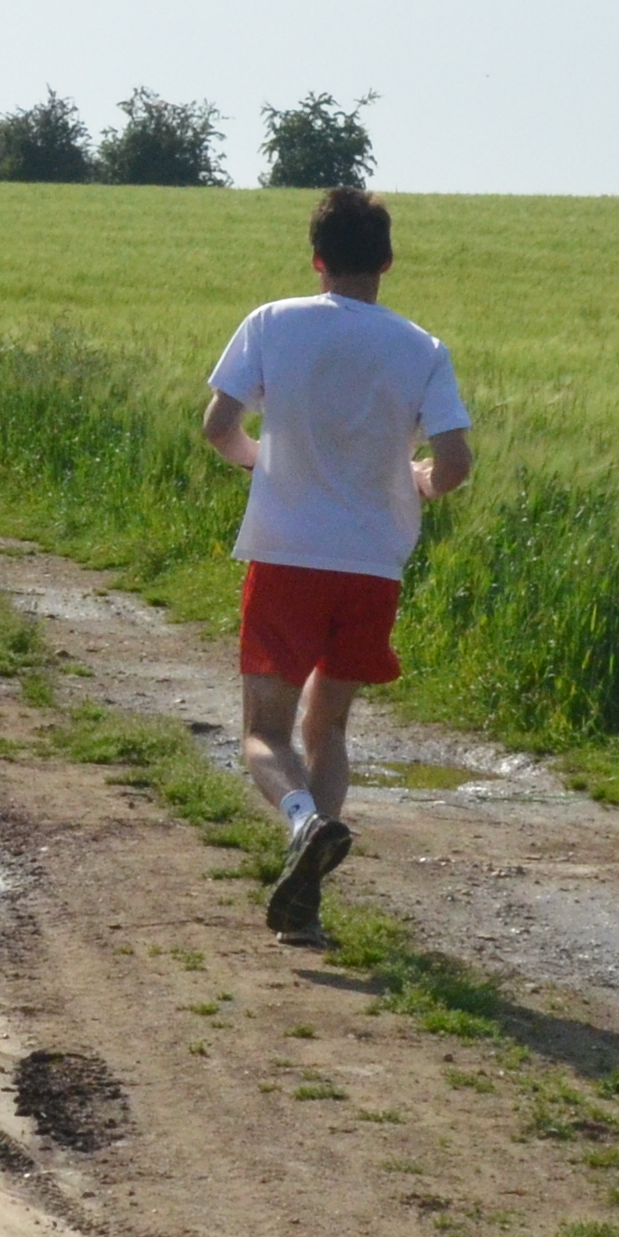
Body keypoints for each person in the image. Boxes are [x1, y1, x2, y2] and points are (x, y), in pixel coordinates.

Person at [200, 185, 474, 937]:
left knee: (264, 732)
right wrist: (420, 481)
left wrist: (260, 462)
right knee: (330, 730)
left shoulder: (273, 323)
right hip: (372, 565)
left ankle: (299, 823)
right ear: (386, 261)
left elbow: (218, 425)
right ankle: (306, 902)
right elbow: (454, 461)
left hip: (287, 553)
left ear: (317, 260)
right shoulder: (422, 348)